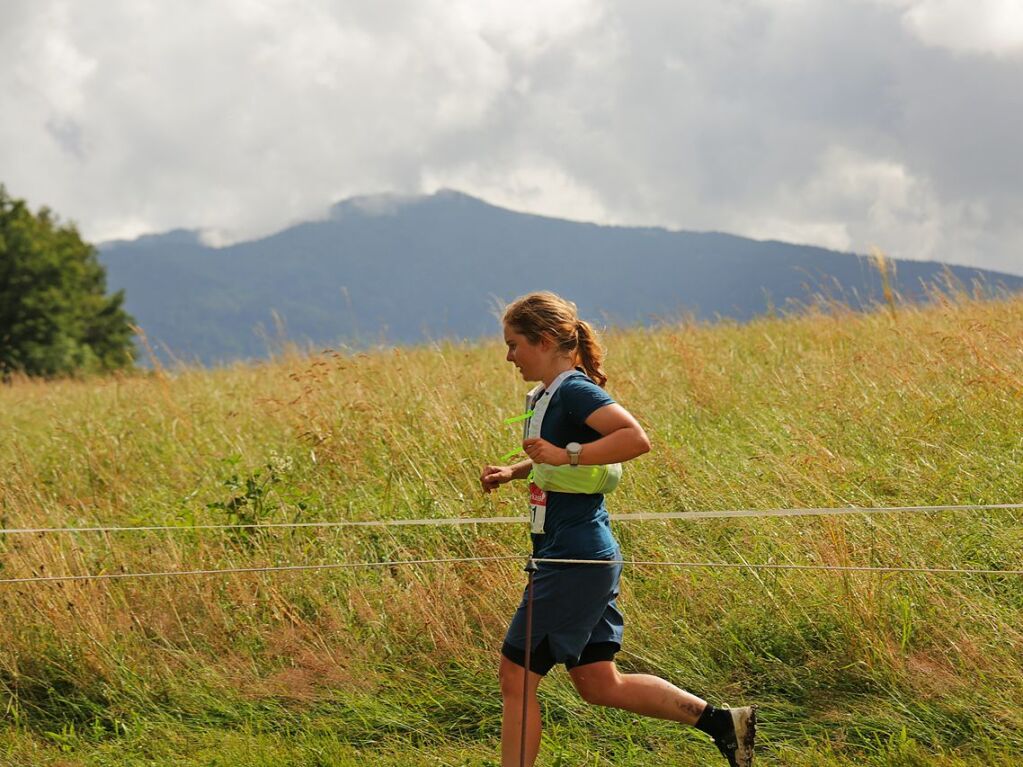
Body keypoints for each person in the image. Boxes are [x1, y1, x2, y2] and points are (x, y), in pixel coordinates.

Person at [480, 291, 756, 767]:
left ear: (544, 340)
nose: (508, 356)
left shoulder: (575, 390)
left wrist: (568, 455)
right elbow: (562, 457)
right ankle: (723, 723)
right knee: (598, 682)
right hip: (581, 552)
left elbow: (634, 438)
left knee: (516, 676)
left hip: (574, 556)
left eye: (513, 344)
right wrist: (517, 471)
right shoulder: (553, 393)